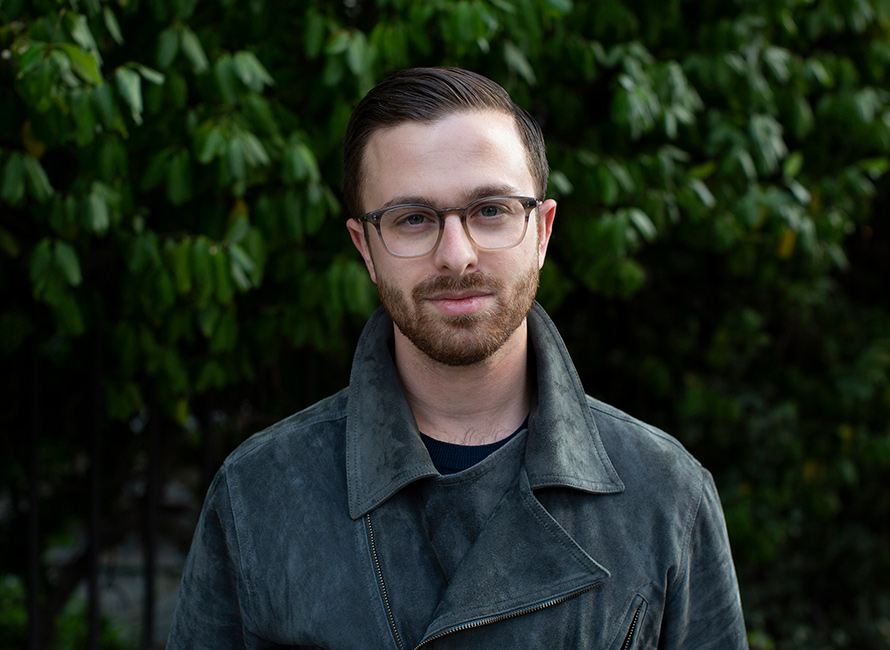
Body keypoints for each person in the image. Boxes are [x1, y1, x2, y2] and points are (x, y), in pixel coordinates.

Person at [168, 67, 748, 649]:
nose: (456, 255)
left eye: (490, 210)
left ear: (542, 232)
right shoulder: (257, 495)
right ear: (365, 248)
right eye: (413, 219)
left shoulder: (667, 496)